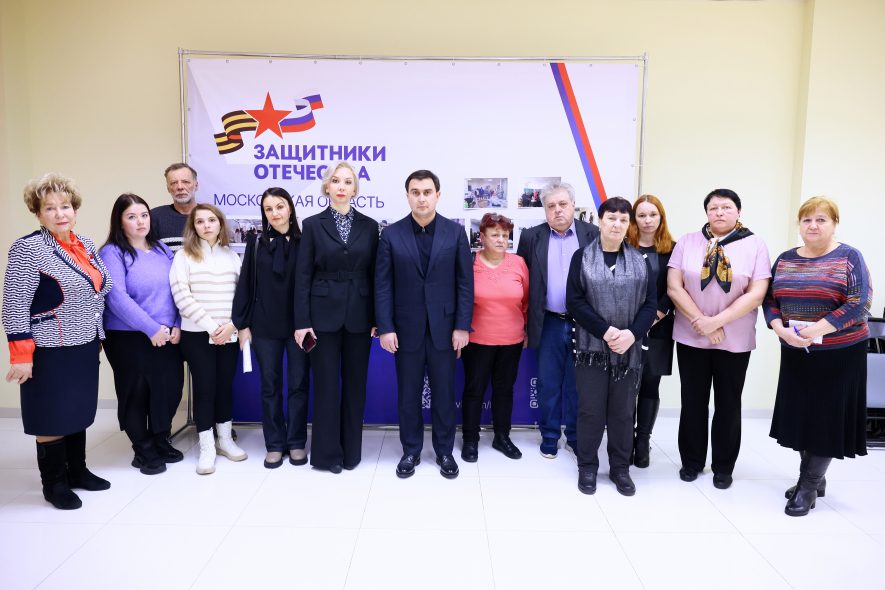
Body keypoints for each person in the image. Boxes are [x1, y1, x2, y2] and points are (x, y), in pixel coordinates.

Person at [2, 173, 113, 510]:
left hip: (85, 343)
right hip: (48, 348)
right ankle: (54, 484)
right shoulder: (28, 249)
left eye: (65, 206)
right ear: (38, 214)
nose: (59, 214)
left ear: (75, 210)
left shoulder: (85, 245)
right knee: (51, 414)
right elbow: (15, 304)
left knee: (77, 409)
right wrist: (21, 355)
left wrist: (98, 335)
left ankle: (77, 471)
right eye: (49, 208)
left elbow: (98, 291)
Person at [763, 196, 872, 516]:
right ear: (799, 225)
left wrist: (815, 329)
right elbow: (769, 299)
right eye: (807, 220)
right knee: (801, 417)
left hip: (840, 352)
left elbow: (859, 303)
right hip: (796, 349)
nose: (813, 226)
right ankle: (815, 479)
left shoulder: (849, 256)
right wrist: (779, 328)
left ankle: (807, 486)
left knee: (826, 419)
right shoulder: (785, 259)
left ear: (834, 224)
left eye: (821, 220)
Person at [667, 189, 771, 489]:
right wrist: (703, 323)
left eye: (726, 207)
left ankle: (723, 467)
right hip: (691, 334)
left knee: (728, 403)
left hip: (734, 338)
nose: (719, 213)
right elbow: (674, 287)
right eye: (713, 208)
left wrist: (716, 322)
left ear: (738, 212)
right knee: (693, 401)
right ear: (707, 213)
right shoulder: (687, 241)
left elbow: (757, 294)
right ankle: (691, 461)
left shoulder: (755, 244)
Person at [375, 169, 474, 479]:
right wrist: (386, 327)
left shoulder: (455, 233)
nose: (421, 198)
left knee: (444, 395)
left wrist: (462, 326)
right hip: (405, 330)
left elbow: (465, 284)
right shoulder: (391, 234)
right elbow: (383, 285)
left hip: (445, 329)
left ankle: (444, 451)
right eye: (415, 192)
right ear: (407, 196)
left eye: (427, 192)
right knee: (408, 395)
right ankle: (411, 451)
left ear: (437, 196)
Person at [566, 197, 657, 495]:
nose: (617, 224)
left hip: (628, 351)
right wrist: (605, 332)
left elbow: (650, 304)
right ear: (600, 221)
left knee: (622, 412)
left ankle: (620, 468)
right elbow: (575, 302)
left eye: (623, 219)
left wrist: (632, 334)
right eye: (611, 218)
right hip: (591, 349)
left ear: (629, 225)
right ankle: (587, 467)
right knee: (590, 410)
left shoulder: (640, 261)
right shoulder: (582, 257)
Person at [294, 162, 379, 473]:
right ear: (326, 187)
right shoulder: (312, 224)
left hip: (360, 315)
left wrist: (378, 318)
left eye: (347, 181)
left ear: (355, 189)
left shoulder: (370, 226)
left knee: (356, 387)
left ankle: (351, 453)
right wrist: (302, 322)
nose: (341, 186)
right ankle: (328, 456)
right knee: (327, 386)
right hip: (321, 317)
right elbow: (303, 276)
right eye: (335, 181)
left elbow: (376, 275)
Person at [100, 194, 184, 476]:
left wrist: (177, 323)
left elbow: (178, 287)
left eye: (144, 215)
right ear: (120, 222)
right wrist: (151, 329)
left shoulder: (161, 249)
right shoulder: (112, 252)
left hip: (167, 333)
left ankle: (160, 439)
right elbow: (116, 298)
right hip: (129, 335)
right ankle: (144, 448)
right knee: (136, 392)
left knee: (169, 389)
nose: (140, 222)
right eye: (132, 217)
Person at [516, 181, 599, 458]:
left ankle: (574, 436)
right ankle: (550, 435)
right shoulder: (531, 237)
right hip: (547, 322)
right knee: (547, 383)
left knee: (578, 385)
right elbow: (522, 282)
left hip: (584, 323)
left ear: (573, 205)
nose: (557, 210)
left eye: (563, 204)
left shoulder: (593, 234)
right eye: (551, 206)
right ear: (545, 210)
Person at [232, 188, 311, 469]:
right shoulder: (256, 243)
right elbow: (246, 284)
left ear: (290, 208)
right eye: (268, 209)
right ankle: (275, 444)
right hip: (264, 324)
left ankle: (297, 441)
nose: (275, 213)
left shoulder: (307, 241)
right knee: (270, 386)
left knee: (299, 385)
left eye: (280, 206)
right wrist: (242, 325)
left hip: (300, 326)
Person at [170, 203, 246, 475]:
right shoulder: (183, 256)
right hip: (197, 335)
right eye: (199, 221)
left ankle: (224, 440)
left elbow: (243, 296)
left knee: (224, 386)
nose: (206, 226)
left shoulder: (232, 256)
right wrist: (213, 327)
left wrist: (232, 326)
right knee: (204, 388)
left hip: (229, 333)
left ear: (220, 224)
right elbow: (182, 296)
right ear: (193, 227)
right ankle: (207, 447)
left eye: (211, 220)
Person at [460, 212, 529, 462]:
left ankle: (502, 437)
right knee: (474, 390)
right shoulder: (469, 263)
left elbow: (526, 300)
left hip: (512, 340)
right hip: (477, 340)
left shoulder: (519, 263)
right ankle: (470, 439)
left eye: (505, 235)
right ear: (482, 237)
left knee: (504, 390)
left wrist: (526, 329)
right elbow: (460, 301)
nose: (501, 240)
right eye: (495, 235)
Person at [624, 194, 676, 468]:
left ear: (661, 217)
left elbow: (675, 288)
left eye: (652, 214)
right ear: (634, 219)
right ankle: (624, 440)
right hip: (626, 328)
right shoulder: (623, 247)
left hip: (658, 327)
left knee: (649, 384)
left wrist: (655, 316)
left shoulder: (674, 250)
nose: (647, 220)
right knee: (626, 386)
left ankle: (642, 441)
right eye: (641, 215)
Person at [152, 163, 199, 253]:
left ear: (196, 186)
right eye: (174, 183)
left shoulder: (210, 216)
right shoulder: (154, 217)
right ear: (168, 188)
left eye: (185, 182)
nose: (180, 187)